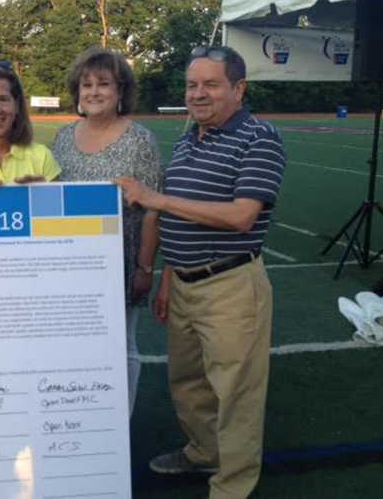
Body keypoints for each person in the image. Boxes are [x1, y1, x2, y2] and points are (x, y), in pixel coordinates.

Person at [116, 45, 286, 499]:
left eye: (211, 84)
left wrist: (157, 199)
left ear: (238, 88)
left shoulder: (259, 137)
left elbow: (241, 216)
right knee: (188, 382)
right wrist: (170, 276)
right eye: (193, 85)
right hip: (187, 283)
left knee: (236, 393)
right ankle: (202, 451)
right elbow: (180, 220)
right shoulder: (195, 136)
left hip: (230, 285)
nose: (199, 94)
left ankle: (231, 486)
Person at [51, 47, 161, 417]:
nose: (94, 92)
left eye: (103, 84)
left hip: (121, 265)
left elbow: (151, 212)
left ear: (120, 91)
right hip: (71, 267)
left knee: (122, 346)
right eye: (86, 85)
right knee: (78, 346)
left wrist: (144, 269)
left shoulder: (139, 139)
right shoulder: (63, 138)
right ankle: (82, 419)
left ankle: (118, 427)